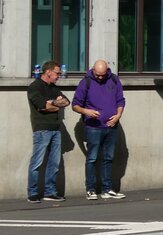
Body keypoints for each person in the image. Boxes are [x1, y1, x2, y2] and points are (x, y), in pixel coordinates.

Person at [72, 59, 127, 201]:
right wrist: (86, 111)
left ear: (107, 70)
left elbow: (120, 100)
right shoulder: (86, 82)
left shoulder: (114, 80)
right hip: (93, 127)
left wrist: (118, 115)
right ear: (93, 70)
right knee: (92, 158)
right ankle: (90, 189)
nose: (100, 77)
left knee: (108, 158)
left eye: (103, 75)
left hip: (111, 126)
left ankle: (107, 189)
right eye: (98, 75)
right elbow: (75, 105)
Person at [26, 60, 69, 203]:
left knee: (54, 163)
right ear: (48, 72)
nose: (59, 75)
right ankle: (32, 193)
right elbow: (42, 106)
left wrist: (53, 103)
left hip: (56, 129)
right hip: (42, 129)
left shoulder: (54, 88)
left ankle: (50, 192)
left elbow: (67, 102)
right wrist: (55, 103)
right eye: (57, 73)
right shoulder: (35, 87)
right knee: (37, 162)